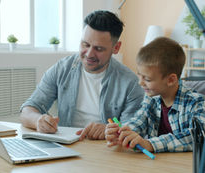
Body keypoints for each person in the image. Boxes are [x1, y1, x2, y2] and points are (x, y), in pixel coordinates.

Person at [20, 10, 144, 141]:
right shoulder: (62, 69)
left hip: (105, 149)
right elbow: (27, 110)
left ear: (116, 48)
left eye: (99, 49)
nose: (89, 54)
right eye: (85, 44)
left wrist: (109, 130)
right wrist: (38, 120)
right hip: (65, 146)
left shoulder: (130, 83)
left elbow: (132, 128)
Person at [105, 37, 205, 152]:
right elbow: (139, 120)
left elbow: (196, 137)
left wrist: (149, 144)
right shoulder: (151, 98)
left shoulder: (196, 103)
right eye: (140, 76)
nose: (140, 83)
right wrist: (124, 132)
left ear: (171, 80)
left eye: (147, 79)